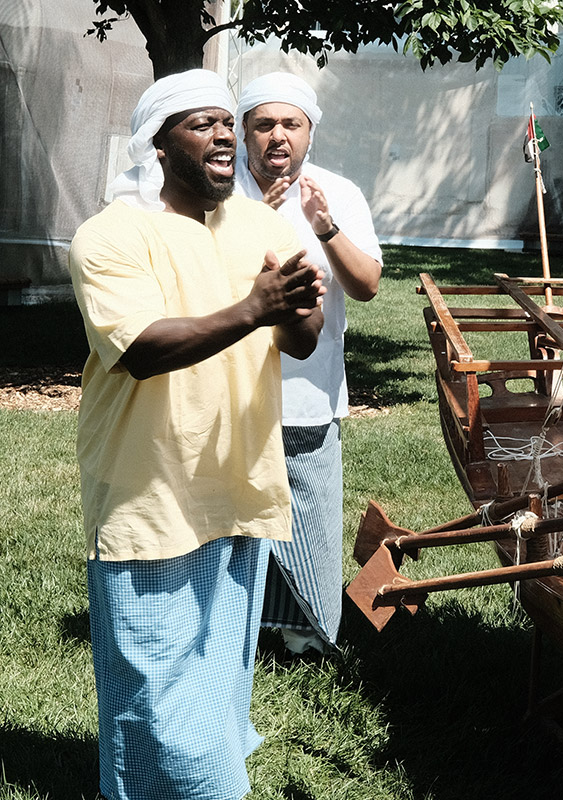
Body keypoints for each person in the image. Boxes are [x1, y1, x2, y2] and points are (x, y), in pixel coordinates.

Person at [68, 69, 325, 800]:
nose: (222, 134)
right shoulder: (111, 236)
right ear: (157, 144)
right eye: (200, 123)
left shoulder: (261, 225)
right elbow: (145, 349)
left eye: (224, 121)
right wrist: (256, 307)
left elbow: (301, 340)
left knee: (212, 690)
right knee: (156, 699)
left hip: (240, 491)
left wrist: (298, 306)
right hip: (152, 501)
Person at [235, 72, 383, 657]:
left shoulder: (336, 192)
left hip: (306, 392)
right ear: (243, 134)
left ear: (309, 133)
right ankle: (241, 625)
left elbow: (368, 285)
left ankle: (308, 633)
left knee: (308, 514)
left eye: (290, 125)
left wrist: (324, 227)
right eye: (264, 124)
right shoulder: (219, 194)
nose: (278, 137)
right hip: (227, 389)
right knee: (232, 516)